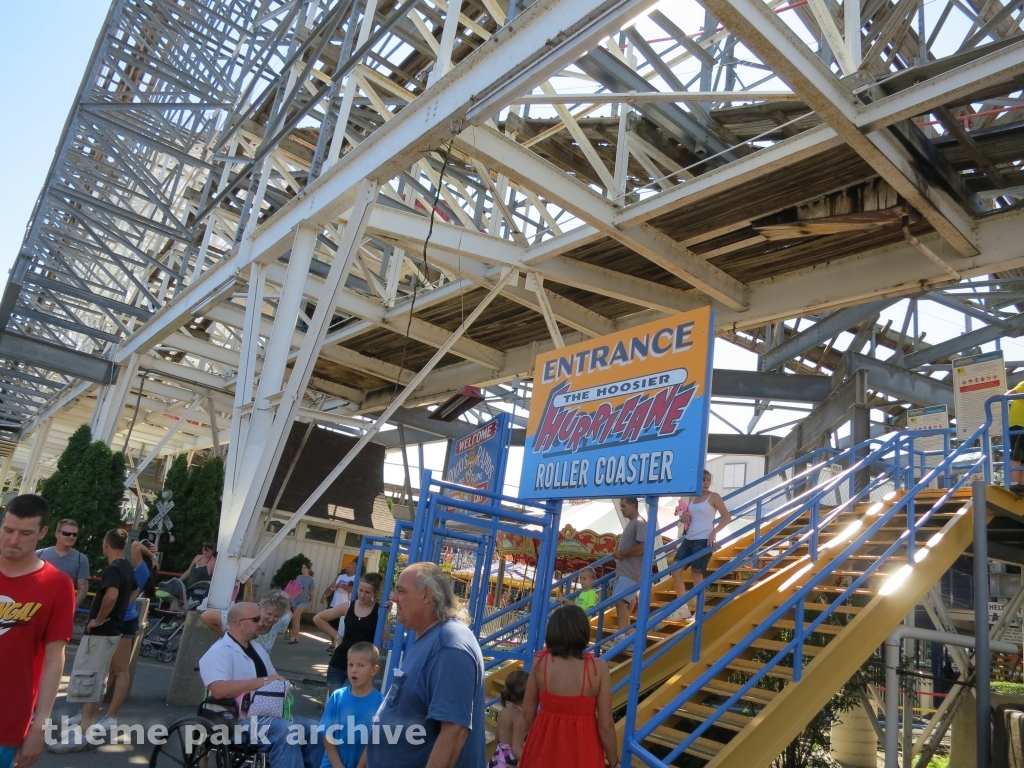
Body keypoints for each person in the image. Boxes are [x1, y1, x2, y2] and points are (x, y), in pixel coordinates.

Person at [359, 562, 484, 768]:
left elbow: (454, 731)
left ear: (426, 596)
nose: (393, 597)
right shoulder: (431, 638)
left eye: (401, 591)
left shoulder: (449, 643)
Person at [199, 602, 324, 768]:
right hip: (233, 720)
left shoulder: (258, 649)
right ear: (239, 624)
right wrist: (263, 682)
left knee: (317, 730)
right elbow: (218, 690)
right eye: (256, 619)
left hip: (266, 715)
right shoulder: (219, 652)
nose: (261, 623)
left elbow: (274, 678)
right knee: (287, 731)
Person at [0, 495, 74, 768]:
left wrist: (39, 726)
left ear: (42, 533)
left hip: (7, 723)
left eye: (25, 533)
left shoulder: (56, 585)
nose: (13, 540)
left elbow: (55, 658)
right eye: (8, 530)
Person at [50, 528, 138, 753]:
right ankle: (85, 729)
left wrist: (98, 619)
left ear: (106, 544)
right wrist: (119, 611)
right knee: (99, 679)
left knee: (90, 679)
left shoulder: (113, 568)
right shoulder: (127, 566)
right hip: (114, 630)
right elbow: (135, 590)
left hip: (101, 632)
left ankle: (82, 733)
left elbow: (111, 595)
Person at [519, 605, 616, 768]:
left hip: (543, 750)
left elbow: (528, 711)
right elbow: (606, 725)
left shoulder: (540, 663)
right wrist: (613, 762)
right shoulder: (597, 669)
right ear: (583, 632)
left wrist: (540, 735)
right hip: (583, 751)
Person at [671, 470, 731, 620]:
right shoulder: (692, 496)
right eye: (703, 480)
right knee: (675, 570)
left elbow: (726, 517)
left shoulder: (714, 496)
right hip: (689, 538)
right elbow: (680, 510)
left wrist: (714, 532)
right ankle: (682, 607)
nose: (705, 483)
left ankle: (699, 612)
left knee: (697, 575)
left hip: (704, 539)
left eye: (708, 480)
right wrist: (681, 515)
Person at [318, 642, 383, 768]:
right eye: (350, 664)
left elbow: (373, 743)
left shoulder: (381, 703)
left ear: (373, 670)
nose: (354, 670)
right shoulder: (337, 697)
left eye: (360, 665)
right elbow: (327, 736)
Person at [327, 574, 383, 694]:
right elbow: (318, 618)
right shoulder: (348, 606)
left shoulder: (378, 611)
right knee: (334, 703)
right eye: (360, 590)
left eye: (367, 592)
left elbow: (385, 638)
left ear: (375, 593)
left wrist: (385, 616)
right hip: (339, 661)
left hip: (360, 665)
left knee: (347, 701)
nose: (362, 595)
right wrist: (337, 636)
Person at [200, 589, 292, 652]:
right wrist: (226, 636)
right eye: (269, 614)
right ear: (260, 607)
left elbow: (289, 615)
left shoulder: (283, 620)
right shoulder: (245, 615)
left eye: (276, 616)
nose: (272, 619)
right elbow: (206, 616)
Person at [611, 497, 645, 638]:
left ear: (633, 506)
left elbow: (643, 546)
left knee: (620, 600)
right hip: (626, 571)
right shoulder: (633, 523)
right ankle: (624, 633)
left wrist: (622, 552)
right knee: (622, 602)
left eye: (624, 506)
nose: (621, 509)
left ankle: (622, 635)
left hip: (631, 571)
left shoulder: (639, 522)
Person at [36, 518, 90, 607]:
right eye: (67, 533)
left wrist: (71, 610)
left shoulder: (81, 559)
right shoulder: (39, 554)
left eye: (74, 534)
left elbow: (83, 589)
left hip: (62, 608)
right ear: (57, 534)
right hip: (35, 607)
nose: (71, 537)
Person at [488, 670, 528, 768]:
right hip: (508, 765)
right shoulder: (520, 717)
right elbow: (516, 750)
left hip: (495, 762)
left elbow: (496, 740)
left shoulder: (504, 710)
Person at [314, 561, 358, 651]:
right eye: (347, 567)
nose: (347, 569)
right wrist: (324, 595)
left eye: (349, 567)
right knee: (331, 624)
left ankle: (340, 645)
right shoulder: (340, 577)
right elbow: (331, 587)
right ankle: (334, 642)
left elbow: (353, 590)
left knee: (342, 626)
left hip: (345, 607)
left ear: (354, 569)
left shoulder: (356, 579)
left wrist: (341, 585)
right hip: (334, 604)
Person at [288, 563, 316, 644]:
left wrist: (312, 602)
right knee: (297, 618)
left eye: (305, 568)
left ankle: (292, 636)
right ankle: (296, 636)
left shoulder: (311, 579)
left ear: (308, 569)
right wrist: (291, 596)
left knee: (294, 617)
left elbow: (312, 591)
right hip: (295, 599)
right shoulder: (298, 577)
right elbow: (295, 588)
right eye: (302, 567)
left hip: (304, 600)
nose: (303, 569)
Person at [1006, 380, 1024, 486]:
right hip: (1019, 423)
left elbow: (1011, 392)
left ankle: (1020, 483)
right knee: (1016, 455)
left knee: (1021, 457)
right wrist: (1003, 395)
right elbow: (1013, 392)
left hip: (1020, 424)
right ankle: (1014, 483)